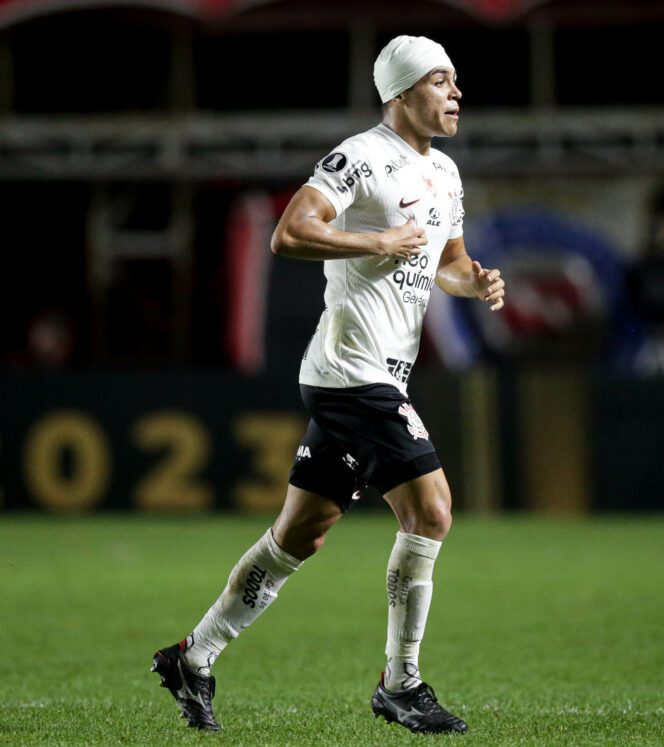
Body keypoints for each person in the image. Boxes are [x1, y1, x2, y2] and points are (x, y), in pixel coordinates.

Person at [151, 34, 505, 735]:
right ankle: (400, 683)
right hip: (353, 371)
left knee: (299, 535)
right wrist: (374, 241)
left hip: (371, 374)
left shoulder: (448, 176)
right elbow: (290, 231)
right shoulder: (361, 156)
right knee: (431, 511)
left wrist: (477, 281)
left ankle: (195, 655)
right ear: (401, 93)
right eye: (440, 81)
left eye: (456, 81)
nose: (456, 92)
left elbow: (449, 261)